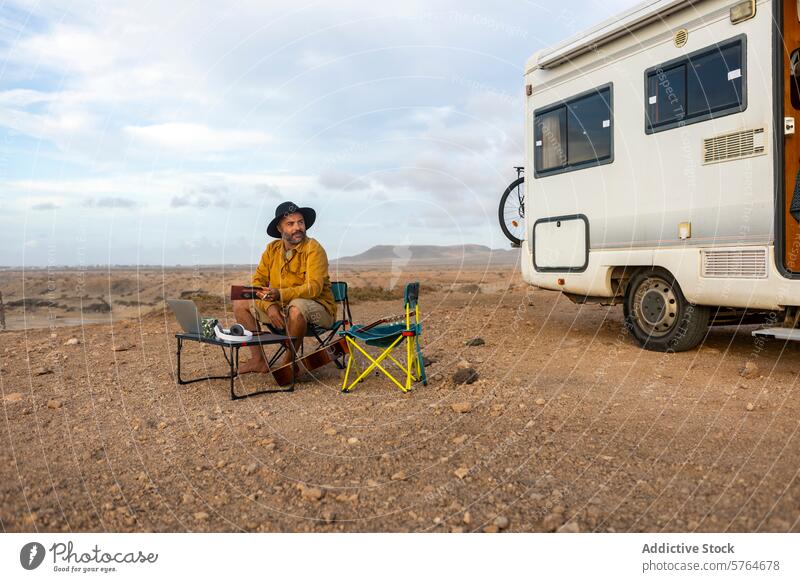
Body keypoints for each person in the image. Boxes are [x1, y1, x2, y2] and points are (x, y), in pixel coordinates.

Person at [233, 201, 335, 374]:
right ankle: (258, 361)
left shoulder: (314, 249)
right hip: (281, 308)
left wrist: (279, 295)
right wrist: (270, 306)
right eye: (290, 224)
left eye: (300, 222)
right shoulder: (272, 249)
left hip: (318, 309)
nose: (298, 227)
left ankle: (288, 365)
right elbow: (258, 283)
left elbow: (314, 288)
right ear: (280, 229)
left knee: (296, 307)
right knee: (239, 301)